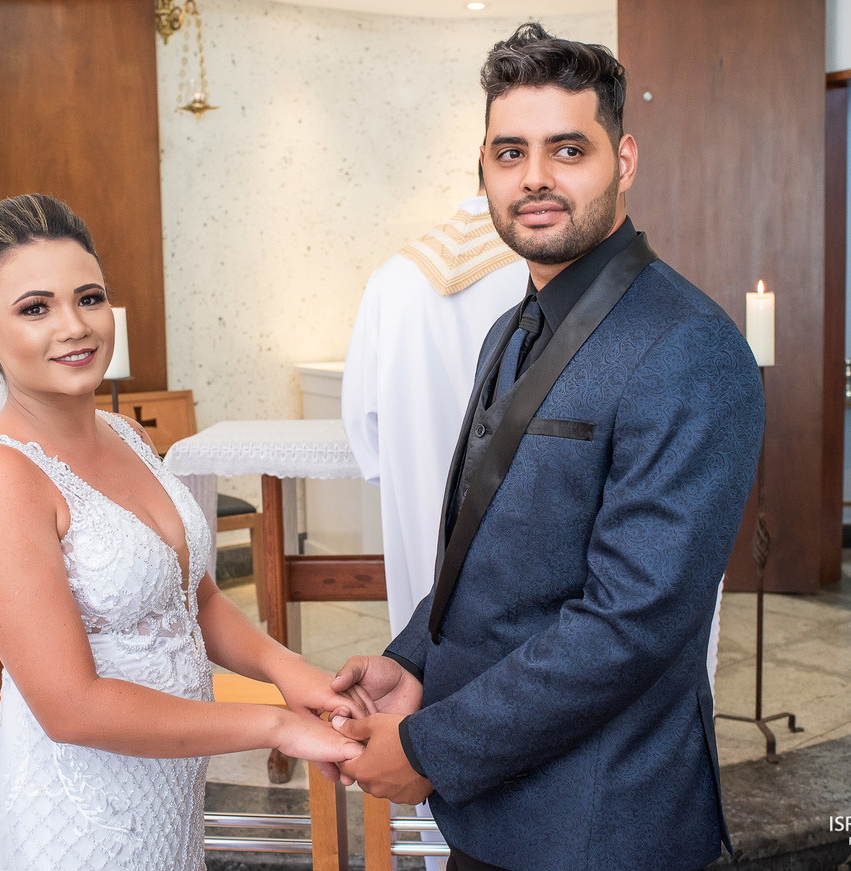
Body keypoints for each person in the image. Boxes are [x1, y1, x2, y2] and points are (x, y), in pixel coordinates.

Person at [330, 23, 764, 871]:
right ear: (484, 168)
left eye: (569, 149)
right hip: (499, 816)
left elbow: (628, 624)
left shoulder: (688, 347)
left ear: (624, 159)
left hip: (600, 823)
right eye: (509, 152)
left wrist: (429, 748)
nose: (534, 177)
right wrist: (412, 658)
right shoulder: (510, 327)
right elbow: (490, 550)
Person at [0, 194, 363, 871]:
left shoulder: (126, 435)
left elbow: (193, 600)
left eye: (88, 298)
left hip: (168, 795)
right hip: (82, 823)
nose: (73, 326)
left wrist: (293, 674)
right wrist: (274, 723)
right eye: (34, 308)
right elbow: (71, 706)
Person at [342, 170, 527, 635]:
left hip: (416, 498)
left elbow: (363, 425)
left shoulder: (391, 277)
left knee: (420, 647)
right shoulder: (536, 268)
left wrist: (415, 478)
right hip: (522, 509)